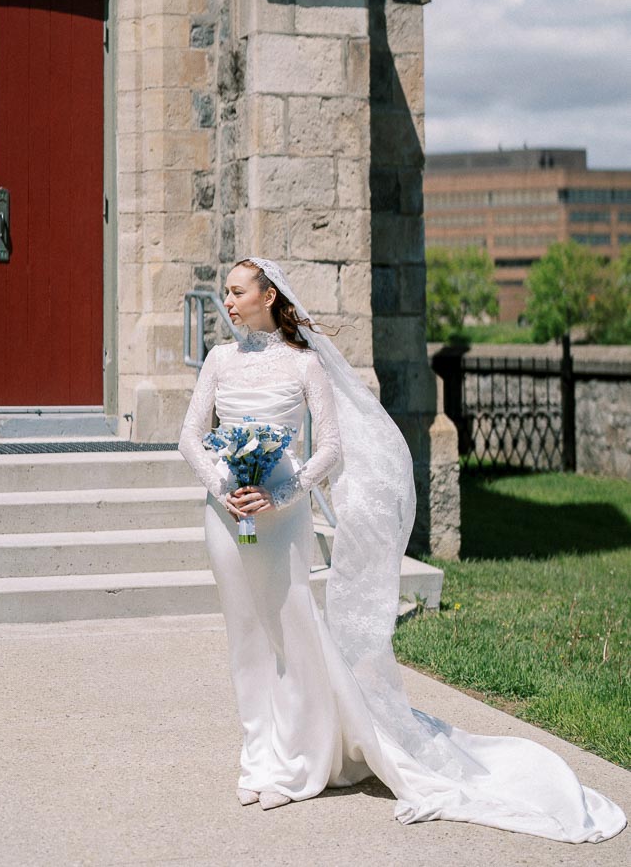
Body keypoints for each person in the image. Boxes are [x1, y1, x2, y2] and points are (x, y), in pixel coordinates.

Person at [178, 257, 626, 840]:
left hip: (281, 515)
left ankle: (294, 761)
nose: (228, 302)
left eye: (237, 292)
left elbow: (332, 448)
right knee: (245, 637)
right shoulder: (217, 360)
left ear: (269, 296)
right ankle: (256, 754)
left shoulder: (305, 364)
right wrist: (223, 483)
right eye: (226, 295)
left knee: (290, 630)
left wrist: (283, 492)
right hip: (226, 513)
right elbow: (190, 435)